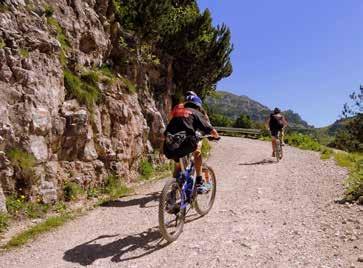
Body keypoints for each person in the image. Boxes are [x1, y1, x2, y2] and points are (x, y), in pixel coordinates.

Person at [164, 93, 219, 193]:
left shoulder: (178, 109)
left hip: (171, 142)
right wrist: (215, 136)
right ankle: (199, 180)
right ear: (198, 104)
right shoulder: (197, 111)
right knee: (197, 152)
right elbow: (208, 126)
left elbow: (170, 121)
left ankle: (174, 189)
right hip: (190, 138)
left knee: (178, 164)